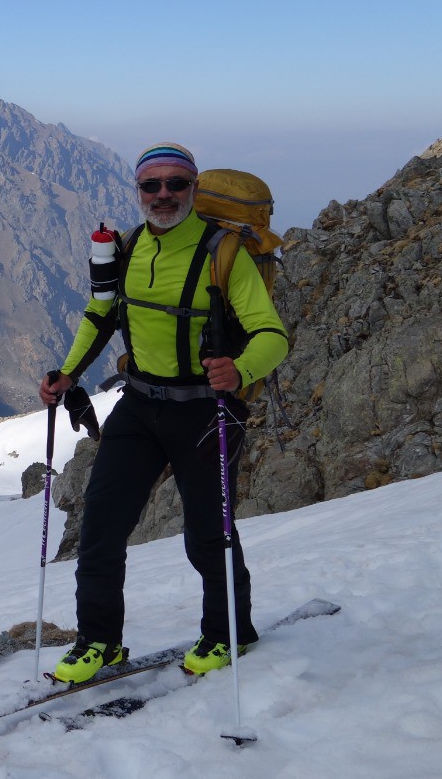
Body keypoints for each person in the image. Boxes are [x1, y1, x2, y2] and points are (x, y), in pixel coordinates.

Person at [39, 142, 288, 682]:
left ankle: (228, 633)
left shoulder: (224, 253)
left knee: (208, 532)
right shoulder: (128, 247)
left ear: (194, 189)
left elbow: (272, 334)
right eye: (152, 185)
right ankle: (99, 642)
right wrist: (68, 373)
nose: (164, 195)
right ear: (138, 192)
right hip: (141, 404)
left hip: (208, 410)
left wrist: (240, 371)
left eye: (176, 184)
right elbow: (101, 314)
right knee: (101, 525)